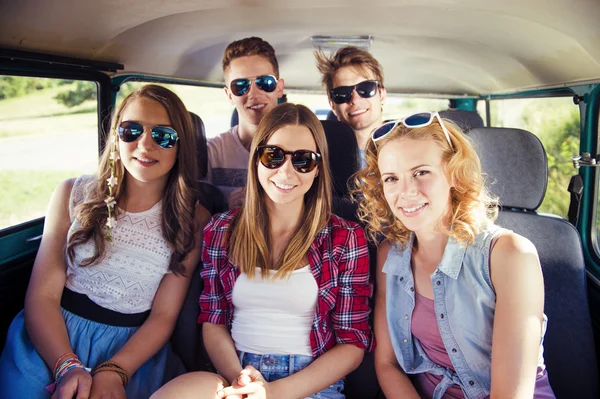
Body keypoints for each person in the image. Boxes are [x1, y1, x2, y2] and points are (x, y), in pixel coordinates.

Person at [0, 84, 211, 398]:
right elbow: (42, 295)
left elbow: (164, 315)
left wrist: (116, 371)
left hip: (132, 351)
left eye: (163, 136)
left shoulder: (193, 219)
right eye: (131, 130)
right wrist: (66, 365)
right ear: (116, 136)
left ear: (181, 145)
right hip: (51, 337)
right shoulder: (73, 193)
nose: (145, 145)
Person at [151, 103, 374, 399]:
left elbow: (352, 343)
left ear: (318, 168)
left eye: (303, 160)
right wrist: (242, 382)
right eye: (274, 155)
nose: (286, 171)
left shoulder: (345, 238)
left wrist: (273, 393)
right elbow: (213, 320)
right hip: (236, 373)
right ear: (256, 158)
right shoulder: (221, 230)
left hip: (309, 384)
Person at [353, 112, 556, 398]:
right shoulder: (391, 257)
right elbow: (388, 365)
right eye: (391, 178)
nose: (406, 191)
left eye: (421, 172)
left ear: (453, 173)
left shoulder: (510, 255)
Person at [206, 36, 285, 209]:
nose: (254, 94)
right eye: (241, 85)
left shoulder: (301, 150)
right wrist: (227, 207)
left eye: (265, 82)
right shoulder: (211, 153)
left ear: (279, 88)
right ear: (229, 95)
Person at [315, 46, 386, 164]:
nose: (355, 99)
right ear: (332, 105)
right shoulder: (322, 160)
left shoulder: (411, 146)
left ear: (381, 94)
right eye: (342, 93)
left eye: (365, 88)